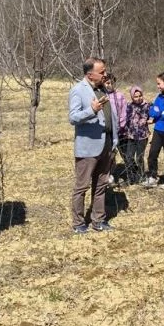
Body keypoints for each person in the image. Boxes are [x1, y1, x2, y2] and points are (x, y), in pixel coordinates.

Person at [68, 57, 119, 233]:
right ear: (90, 74)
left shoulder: (103, 89)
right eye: (101, 72)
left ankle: (99, 220)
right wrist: (92, 110)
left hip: (107, 143)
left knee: (101, 185)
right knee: (82, 186)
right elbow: (73, 117)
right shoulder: (78, 90)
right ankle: (78, 223)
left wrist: (114, 139)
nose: (105, 74)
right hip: (88, 147)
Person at [123, 85, 150, 185]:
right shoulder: (129, 106)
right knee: (129, 157)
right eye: (136, 96)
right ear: (132, 97)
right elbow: (127, 119)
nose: (138, 98)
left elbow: (145, 117)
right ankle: (131, 177)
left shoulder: (146, 105)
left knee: (139, 157)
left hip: (142, 136)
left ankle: (141, 176)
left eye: (140, 96)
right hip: (131, 136)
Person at [103, 74, 127, 185]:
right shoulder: (102, 96)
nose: (109, 85)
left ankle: (131, 172)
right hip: (108, 130)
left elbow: (124, 112)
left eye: (112, 83)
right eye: (107, 83)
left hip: (119, 130)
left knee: (124, 153)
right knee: (109, 154)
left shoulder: (119, 96)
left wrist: (120, 126)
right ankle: (109, 175)